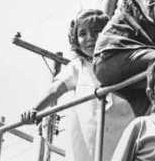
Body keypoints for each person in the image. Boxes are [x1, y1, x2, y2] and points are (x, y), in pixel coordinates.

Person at [21, 10, 134, 161]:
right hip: (89, 134)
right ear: (75, 39)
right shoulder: (78, 66)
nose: (90, 38)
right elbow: (56, 89)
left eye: (96, 32)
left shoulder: (123, 60)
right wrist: (35, 109)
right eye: (82, 34)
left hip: (121, 128)